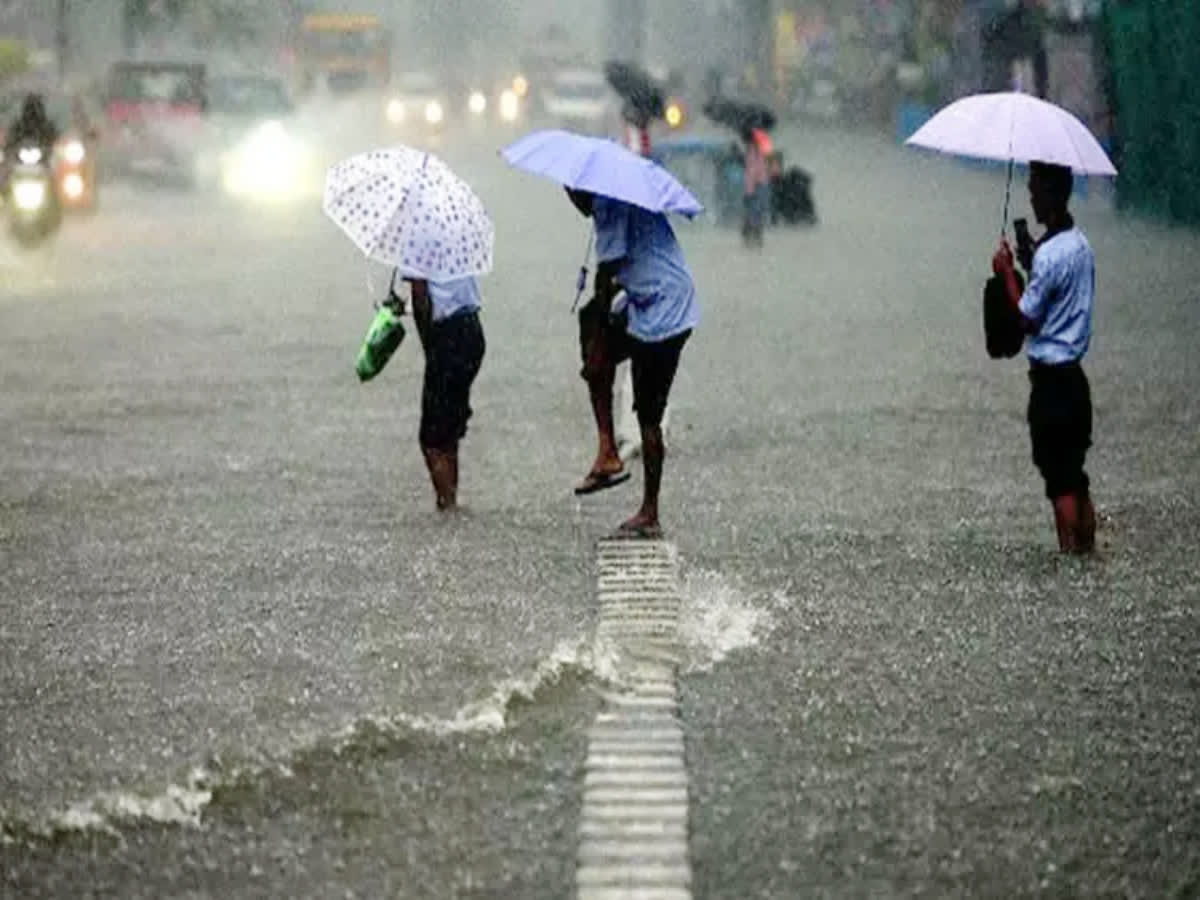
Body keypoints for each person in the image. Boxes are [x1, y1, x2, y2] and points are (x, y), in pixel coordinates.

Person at [567, 187, 698, 539]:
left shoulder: (610, 204)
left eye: (572, 194)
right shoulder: (611, 201)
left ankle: (650, 511)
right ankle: (607, 451)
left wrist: (601, 329)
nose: (573, 202)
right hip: (647, 299)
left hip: (665, 312)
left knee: (648, 413)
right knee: (594, 348)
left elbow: (606, 275)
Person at [991, 160, 1097, 554]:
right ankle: (1087, 556)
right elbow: (1059, 292)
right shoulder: (1079, 246)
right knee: (1076, 476)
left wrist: (1006, 273)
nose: (1031, 197)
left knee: (1059, 480)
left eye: (1035, 189)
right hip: (1076, 382)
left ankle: (1070, 563)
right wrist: (1030, 262)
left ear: (1052, 193)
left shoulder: (1051, 256)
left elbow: (1026, 319)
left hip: (1051, 384)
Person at [403, 273, 486, 512]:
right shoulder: (457, 236)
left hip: (447, 336)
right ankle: (451, 497)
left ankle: (447, 505)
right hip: (472, 330)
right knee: (448, 428)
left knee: (431, 438)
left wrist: (430, 347)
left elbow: (421, 297)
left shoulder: (416, 240)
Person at [741, 126, 771, 247]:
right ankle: (756, 236)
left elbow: (751, 172)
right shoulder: (762, 149)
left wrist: (748, 192)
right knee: (758, 213)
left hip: (755, 187)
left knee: (753, 213)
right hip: (763, 184)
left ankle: (751, 236)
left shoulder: (752, 152)